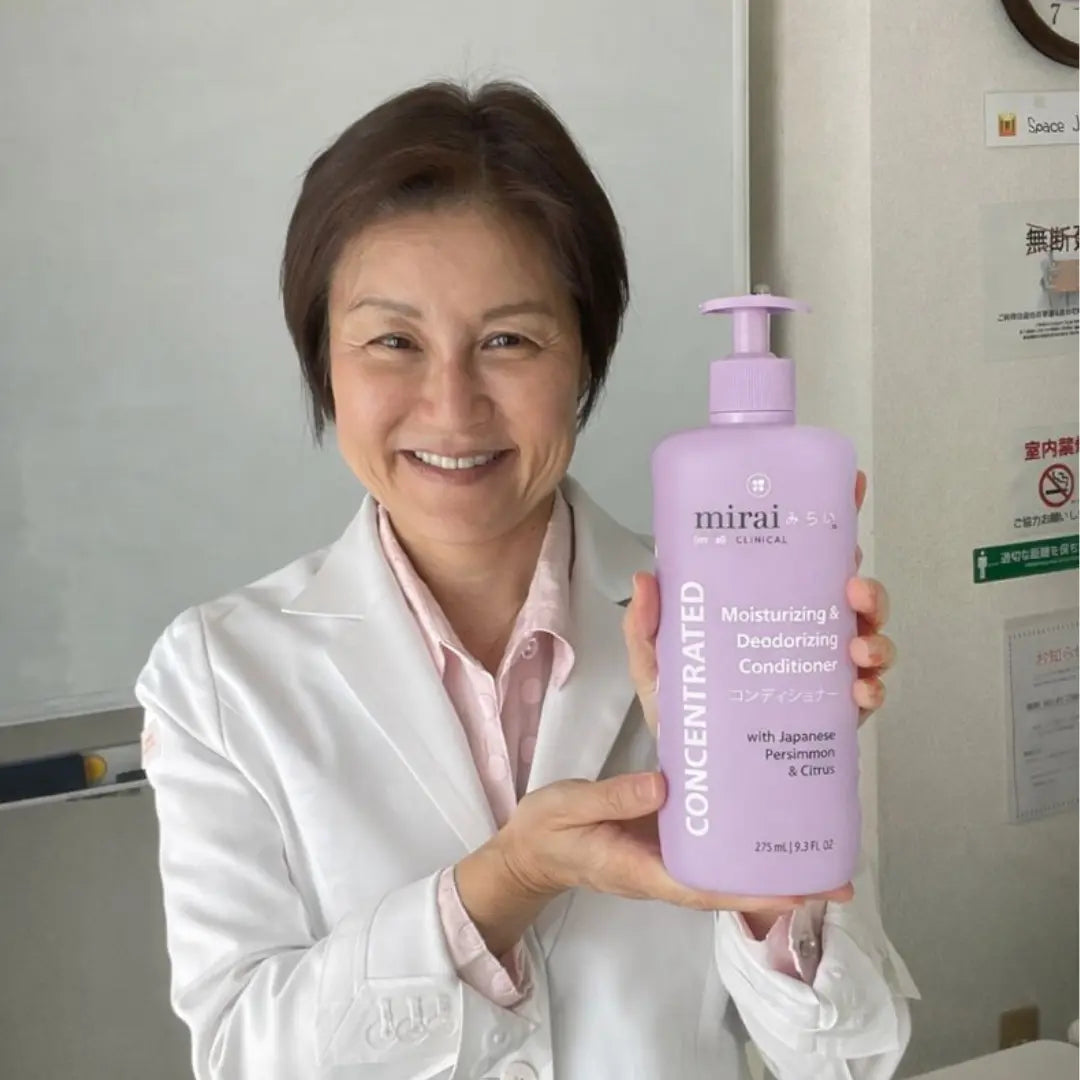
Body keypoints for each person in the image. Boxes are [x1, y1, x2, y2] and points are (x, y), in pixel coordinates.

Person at [136, 80, 918, 1080]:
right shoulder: (217, 674)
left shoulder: (723, 627)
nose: (452, 405)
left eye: (508, 339)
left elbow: (852, 1059)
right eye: (392, 342)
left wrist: (771, 862)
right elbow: (246, 1054)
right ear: (322, 360)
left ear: (584, 357)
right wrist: (500, 885)